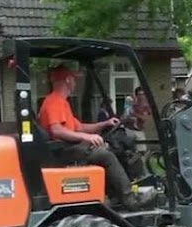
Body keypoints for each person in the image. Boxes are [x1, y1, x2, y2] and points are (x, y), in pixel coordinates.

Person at [38, 65, 153, 211]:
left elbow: (80, 128)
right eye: (74, 79)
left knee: (113, 148)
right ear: (67, 80)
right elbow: (57, 130)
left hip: (68, 147)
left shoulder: (62, 103)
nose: (75, 83)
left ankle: (114, 195)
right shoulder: (54, 101)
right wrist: (87, 137)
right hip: (64, 150)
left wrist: (105, 123)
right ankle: (130, 199)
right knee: (106, 156)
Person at [121, 87, 151, 153]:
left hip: (139, 130)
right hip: (129, 130)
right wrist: (127, 118)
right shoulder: (131, 105)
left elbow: (144, 118)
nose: (141, 97)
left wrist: (134, 114)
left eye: (143, 94)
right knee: (128, 151)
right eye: (140, 94)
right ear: (136, 95)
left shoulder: (146, 107)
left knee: (142, 150)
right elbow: (123, 118)